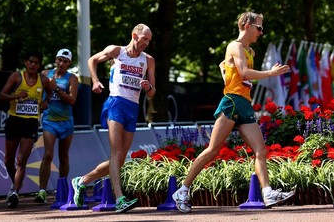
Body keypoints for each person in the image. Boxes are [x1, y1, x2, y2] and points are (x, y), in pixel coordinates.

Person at [172, 11, 296, 211]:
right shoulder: (235, 46)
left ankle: (268, 193)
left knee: (260, 151)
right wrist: (271, 73)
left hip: (244, 104)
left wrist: (226, 71)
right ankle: (182, 190)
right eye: (259, 27)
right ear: (247, 26)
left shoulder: (250, 51)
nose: (261, 32)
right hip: (231, 102)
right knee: (212, 150)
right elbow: (244, 72)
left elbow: (225, 67)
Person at [71, 23, 156, 213]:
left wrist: (148, 88)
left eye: (149, 41)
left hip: (132, 108)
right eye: (144, 39)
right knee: (116, 153)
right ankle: (120, 200)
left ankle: (82, 181)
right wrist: (95, 80)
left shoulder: (148, 60)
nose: (146, 44)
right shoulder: (117, 51)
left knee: (120, 159)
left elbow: (152, 93)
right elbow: (92, 60)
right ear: (135, 36)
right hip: (115, 103)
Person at [0, 50, 50, 209]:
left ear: (39, 65)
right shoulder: (16, 77)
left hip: (30, 123)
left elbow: (49, 93)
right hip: (14, 121)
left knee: (21, 160)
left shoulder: (43, 80)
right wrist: (16, 96)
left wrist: (46, 101)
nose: (33, 65)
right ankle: (17, 182)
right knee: (8, 160)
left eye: (36, 63)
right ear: (25, 62)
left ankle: (14, 191)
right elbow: (1, 95)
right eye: (30, 62)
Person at [34, 48, 78, 204]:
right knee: (47, 155)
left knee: (63, 157)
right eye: (59, 60)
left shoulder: (72, 78)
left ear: (69, 64)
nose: (61, 63)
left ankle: (62, 189)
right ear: (55, 59)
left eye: (65, 61)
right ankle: (42, 192)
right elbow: (40, 94)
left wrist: (57, 88)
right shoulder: (46, 74)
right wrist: (43, 102)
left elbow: (72, 100)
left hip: (66, 122)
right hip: (49, 121)